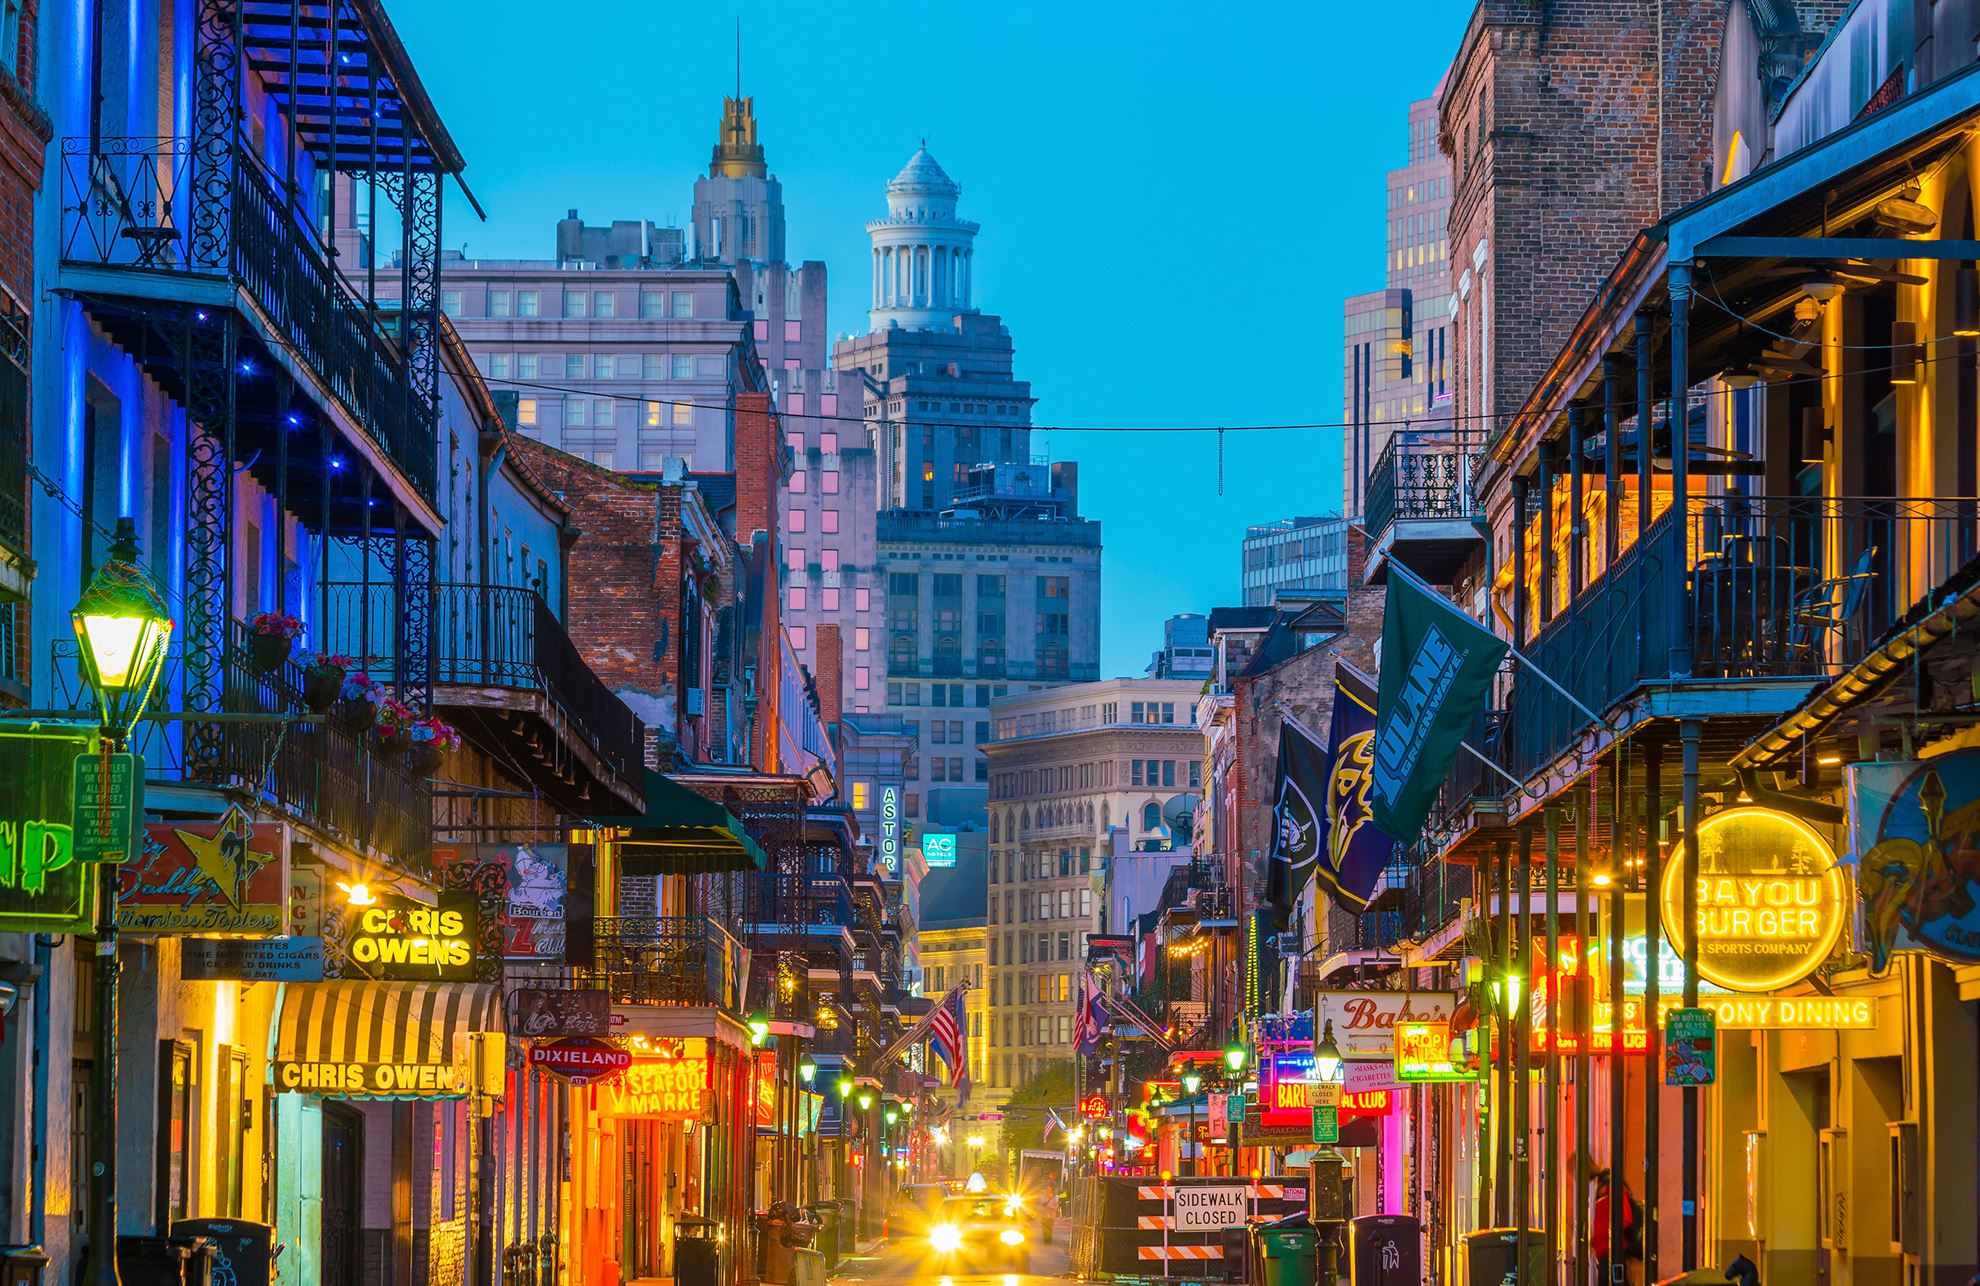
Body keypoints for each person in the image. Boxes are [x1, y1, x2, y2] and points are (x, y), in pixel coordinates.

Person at [1591, 1168, 1645, 1285]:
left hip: (1612, 1251)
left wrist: (1609, 1237)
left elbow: (1625, 1218)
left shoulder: (1613, 1188)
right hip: (1607, 1252)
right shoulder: (1605, 1191)